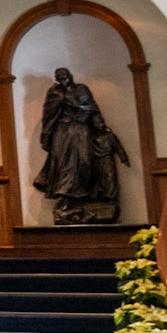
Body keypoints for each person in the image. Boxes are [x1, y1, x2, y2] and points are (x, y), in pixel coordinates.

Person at [32, 66, 129, 224]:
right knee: (63, 165)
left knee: (84, 161)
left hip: (82, 130)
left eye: (65, 76)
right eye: (60, 77)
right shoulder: (54, 93)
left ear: (70, 76)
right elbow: (49, 115)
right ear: (57, 79)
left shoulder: (82, 89)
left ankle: (84, 196)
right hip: (63, 131)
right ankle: (65, 198)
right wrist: (46, 135)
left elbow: (92, 107)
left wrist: (99, 123)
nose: (63, 80)